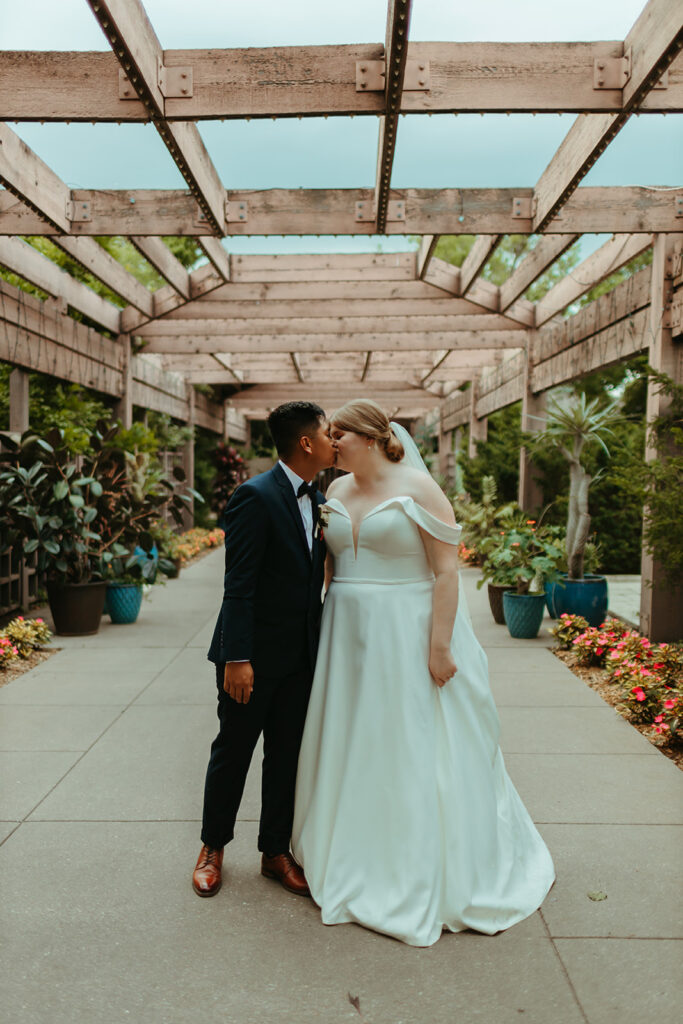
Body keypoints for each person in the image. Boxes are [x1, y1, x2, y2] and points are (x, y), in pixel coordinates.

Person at [292, 399, 555, 947]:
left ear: (366, 437)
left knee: (409, 738)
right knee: (353, 737)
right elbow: (330, 567)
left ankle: (417, 862)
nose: (327, 442)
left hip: (406, 629)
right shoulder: (334, 493)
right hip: (348, 633)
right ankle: (351, 848)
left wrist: (439, 646)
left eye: (336, 433)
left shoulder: (419, 488)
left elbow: (445, 572)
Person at [192, 401, 336, 898]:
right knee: (232, 752)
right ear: (306, 443)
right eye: (328, 433)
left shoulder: (319, 497)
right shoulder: (253, 496)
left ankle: (275, 851)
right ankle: (212, 847)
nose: (334, 440)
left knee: (285, 756)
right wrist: (237, 657)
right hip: (250, 660)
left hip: (300, 657)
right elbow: (239, 585)